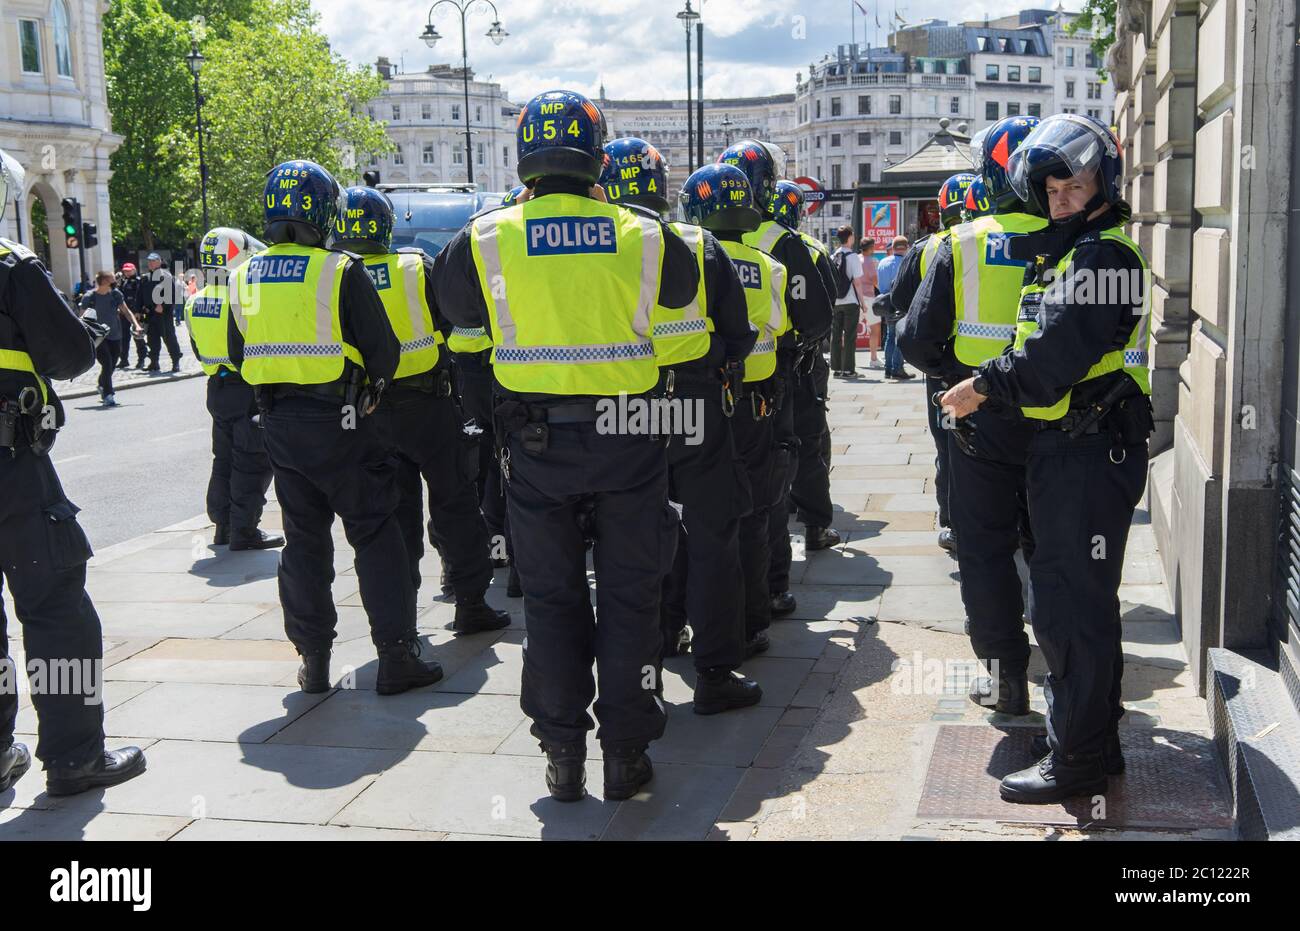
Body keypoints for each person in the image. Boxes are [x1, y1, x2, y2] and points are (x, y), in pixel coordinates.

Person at [431, 90, 700, 802]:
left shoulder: (488, 235)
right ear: (597, 156)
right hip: (631, 434)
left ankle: (562, 753)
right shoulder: (640, 231)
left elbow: (455, 311)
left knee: (550, 602)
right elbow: (682, 292)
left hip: (537, 442)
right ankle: (627, 752)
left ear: (525, 160)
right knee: (632, 597)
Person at [942, 114, 1153, 803]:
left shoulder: (1104, 258)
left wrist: (985, 386)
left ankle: (1077, 762)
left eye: (1075, 185)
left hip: (1089, 449)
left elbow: (1054, 355)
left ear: (1105, 183)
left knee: (1067, 609)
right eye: (1052, 189)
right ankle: (1095, 740)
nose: (1061, 198)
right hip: (1071, 449)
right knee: (1077, 604)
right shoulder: (1076, 252)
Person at [227, 159, 440, 697]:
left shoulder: (243, 273)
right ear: (324, 212)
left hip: (279, 426)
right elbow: (385, 353)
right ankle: (396, 656)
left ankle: (315, 661)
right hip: (344, 423)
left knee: (303, 541)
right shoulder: (339, 271)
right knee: (375, 534)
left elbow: (236, 352)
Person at [0, 151, 146, 796]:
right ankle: (75, 757)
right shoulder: (9, 266)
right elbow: (69, 357)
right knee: (56, 606)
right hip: (11, 472)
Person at [600, 137, 762, 715]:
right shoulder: (697, 242)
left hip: (620, 405)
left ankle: (658, 644)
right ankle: (716, 672)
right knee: (713, 535)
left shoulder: (601, 244)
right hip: (693, 402)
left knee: (638, 534)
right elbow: (739, 332)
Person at [900, 117, 1045, 716]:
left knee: (984, 548)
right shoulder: (1079, 240)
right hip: (1061, 424)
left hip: (981, 427)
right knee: (1054, 546)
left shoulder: (962, 242)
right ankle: (1066, 667)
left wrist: (954, 377)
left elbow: (914, 338)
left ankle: (1005, 675)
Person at [332, 185, 510, 635]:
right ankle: (469, 601)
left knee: (393, 516)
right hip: (429, 405)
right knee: (455, 504)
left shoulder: (333, 275)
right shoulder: (414, 266)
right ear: (385, 225)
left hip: (370, 411)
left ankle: (402, 616)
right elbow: (455, 320)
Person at [716, 140, 832, 621]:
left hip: (706, 388)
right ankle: (773, 587)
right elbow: (816, 317)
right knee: (772, 489)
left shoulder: (691, 241)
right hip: (775, 381)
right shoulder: (787, 243)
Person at [889, 171, 977, 553]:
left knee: (948, 445)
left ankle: (954, 523)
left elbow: (900, 300)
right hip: (1000, 371)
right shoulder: (997, 239)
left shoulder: (929, 247)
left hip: (944, 373)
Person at [765, 182, 839, 611]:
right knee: (807, 442)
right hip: (797, 362)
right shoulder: (803, 246)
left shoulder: (711, 240)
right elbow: (821, 310)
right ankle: (814, 524)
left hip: (737, 371)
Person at [186, 227, 283, 552]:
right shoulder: (243, 296)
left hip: (217, 388)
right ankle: (245, 531)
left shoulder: (194, 301)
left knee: (223, 458)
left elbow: (198, 350)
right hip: (246, 386)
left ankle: (222, 526)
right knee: (251, 461)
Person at [78, 271, 133, 407]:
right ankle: (109, 394)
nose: (115, 281)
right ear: (104, 281)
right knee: (107, 363)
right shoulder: (90, 297)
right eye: (112, 279)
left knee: (112, 364)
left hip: (115, 335)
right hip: (98, 337)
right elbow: (81, 318)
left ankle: (102, 384)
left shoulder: (116, 294)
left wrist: (136, 325)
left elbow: (125, 311)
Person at [828, 226, 869, 376]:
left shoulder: (833, 256)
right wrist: (863, 304)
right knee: (850, 335)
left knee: (836, 335)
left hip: (836, 302)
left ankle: (836, 368)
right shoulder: (853, 257)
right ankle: (849, 369)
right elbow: (857, 282)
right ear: (850, 237)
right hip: (850, 300)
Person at [875, 236, 913, 380]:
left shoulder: (883, 262)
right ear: (906, 247)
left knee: (890, 336)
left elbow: (879, 284)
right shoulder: (907, 262)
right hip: (901, 303)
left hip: (886, 303)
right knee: (899, 337)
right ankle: (897, 368)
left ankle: (888, 369)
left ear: (893, 247)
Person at [143, 252, 183, 372]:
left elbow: (171, 294)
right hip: (150, 313)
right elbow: (140, 294)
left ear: (159, 262)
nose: (150, 263)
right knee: (152, 339)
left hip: (163, 314)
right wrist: (138, 309)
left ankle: (175, 362)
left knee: (169, 338)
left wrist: (163, 305)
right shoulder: (146, 277)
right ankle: (154, 362)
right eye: (149, 261)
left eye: (153, 261)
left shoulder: (165, 275)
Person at [116, 262, 146, 370]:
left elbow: (141, 297)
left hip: (135, 313)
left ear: (134, 270)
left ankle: (141, 360)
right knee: (123, 338)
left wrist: (139, 311)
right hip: (124, 313)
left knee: (138, 337)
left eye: (129, 270)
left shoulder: (139, 281)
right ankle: (124, 360)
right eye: (125, 270)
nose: (127, 272)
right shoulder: (122, 282)